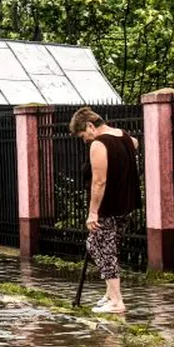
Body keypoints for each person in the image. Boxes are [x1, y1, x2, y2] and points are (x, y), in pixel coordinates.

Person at [69, 107, 140, 314]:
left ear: (90, 126)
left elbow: (99, 182)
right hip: (126, 204)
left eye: (84, 135)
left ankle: (117, 301)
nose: (85, 140)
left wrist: (93, 212)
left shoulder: (99, 144)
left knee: (103, 249)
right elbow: (135, 144)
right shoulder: (124, 136)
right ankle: (109, 294)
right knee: (102, 245)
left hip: (108, 206)